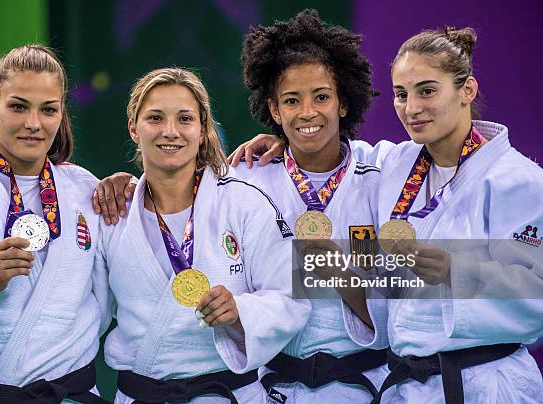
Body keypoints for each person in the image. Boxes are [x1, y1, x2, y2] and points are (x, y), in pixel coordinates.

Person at [230, 26, 543, 403]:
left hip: (487, 380)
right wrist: (290, 139)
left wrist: (453, 270)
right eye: (401, 94)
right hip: (408, 386)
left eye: (427, 91)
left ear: (467, 91)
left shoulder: (517, 179)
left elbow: (536, 289)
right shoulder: (397, 165)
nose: (412, 107)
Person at [94, 10, 390, 403]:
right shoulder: (251, 179)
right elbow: (178, 188)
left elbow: (420, 284)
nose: (306, 112)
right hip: (275, 385)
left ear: (344, 102)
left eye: (321, 97)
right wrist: (127, 183)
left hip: (362, 381)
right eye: (291, 100)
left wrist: (343, 273)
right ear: (274, 110)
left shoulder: (380, 178)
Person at [98, 67, 310, 403]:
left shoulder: (244, 201)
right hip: (141, 394)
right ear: (133, 129)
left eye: (185, 119)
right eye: (155, 118)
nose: (171, 131)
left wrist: (240, 312)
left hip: (226, 394)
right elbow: (84, 310)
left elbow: (293, 297)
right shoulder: (113, 214)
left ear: (202, 129)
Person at [0, 45, 111, 403]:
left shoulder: (88, 191)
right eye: (18, 106)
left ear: (61, 114)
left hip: (69, 394)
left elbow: (117, 294)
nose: (33, 123)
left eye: (48, 110)